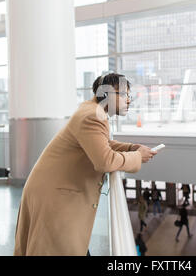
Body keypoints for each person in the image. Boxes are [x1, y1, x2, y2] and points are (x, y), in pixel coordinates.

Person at [13, 73, 158, 256]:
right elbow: (104, 160)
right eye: (124, 95)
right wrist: (137, 156)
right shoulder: (93, 116)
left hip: (53, 193)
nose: (129, 101)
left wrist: (131, 148)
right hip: (55, 198)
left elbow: (100, 144)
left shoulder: (92, 111)